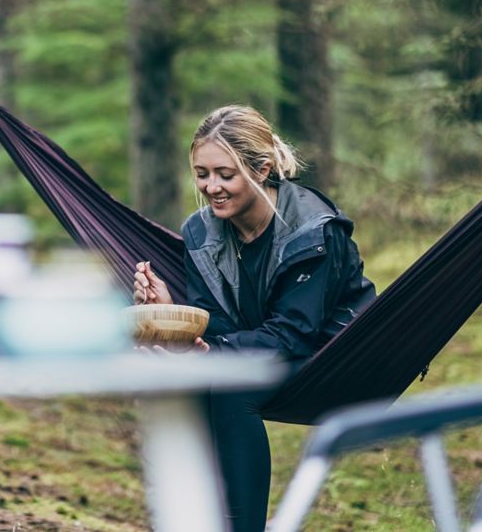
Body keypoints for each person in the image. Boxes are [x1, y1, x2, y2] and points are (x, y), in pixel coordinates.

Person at [133, 105, 375, 532]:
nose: (212, 187)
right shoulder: (200, 233)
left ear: (262, 169)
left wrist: (212, 354)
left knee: (228, 386)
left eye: (226, 174)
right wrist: (172, 310)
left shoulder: (315, 232)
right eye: (202, 174)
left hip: (334, 357)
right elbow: (217, 323)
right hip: (260, 346)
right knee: (174, 381)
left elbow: (295, 334)